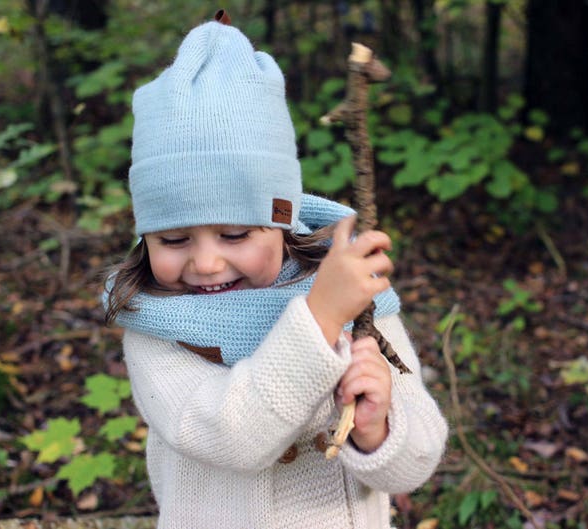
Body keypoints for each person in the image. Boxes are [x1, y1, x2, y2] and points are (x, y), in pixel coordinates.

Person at [103, 14, 447, 529]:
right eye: (173, 240)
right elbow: (231, 435)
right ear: (146, 237)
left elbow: (416, 460)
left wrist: (377, 430)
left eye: (236, 235)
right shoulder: (157, 325)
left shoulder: (347, 288)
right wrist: (320, 319)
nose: (206, 262)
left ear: (281, 223)